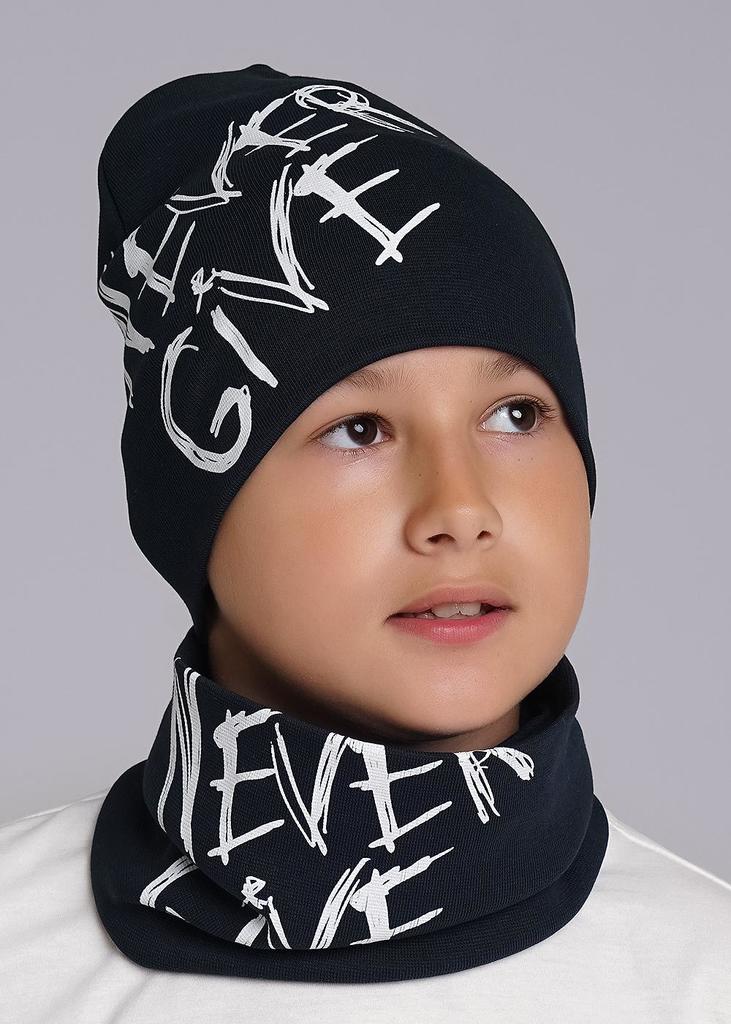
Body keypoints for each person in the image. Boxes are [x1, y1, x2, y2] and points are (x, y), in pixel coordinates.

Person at [1, 62, 729, 1023]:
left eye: (515, 414)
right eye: (358, 429)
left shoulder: (703, 976)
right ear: (194, 494)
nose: (459, 509)